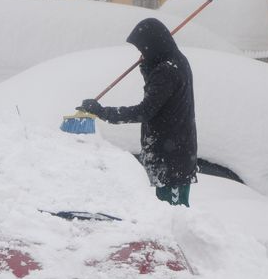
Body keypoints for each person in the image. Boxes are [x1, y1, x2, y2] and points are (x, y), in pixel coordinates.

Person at [77, 18, 197, 207]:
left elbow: (145, 111)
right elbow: (160, 96)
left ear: (153, 45)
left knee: (174, 218)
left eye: (143, 48)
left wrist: (102, 112)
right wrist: (148, 67)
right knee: (166, 217)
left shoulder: (166, 71)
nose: (142, 53)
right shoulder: (176, 62)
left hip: (171, 158)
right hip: (175, 151)